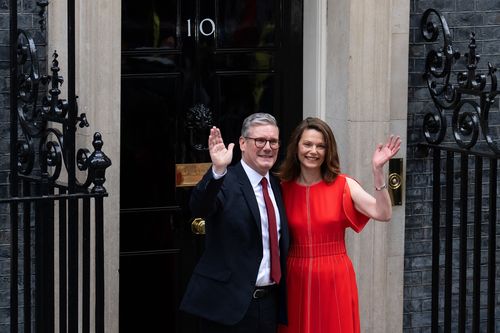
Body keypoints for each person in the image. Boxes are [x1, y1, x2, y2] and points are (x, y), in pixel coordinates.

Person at [277, 117, 401, 333]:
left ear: (328, 151)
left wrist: (378, 171)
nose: (313, 151)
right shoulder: (282, 188)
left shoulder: (344, 184)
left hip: (334, 274)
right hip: (295, 274)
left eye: (320, 146)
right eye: (307, 144)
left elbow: (383, 213)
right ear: (296, 146)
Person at [180, 113, 289, 333]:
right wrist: (218, 170)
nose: (268, 147)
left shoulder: (278, 186)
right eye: (260, 140)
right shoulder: (226, 181)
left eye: (273, 141)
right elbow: (199, 206)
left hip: (268, 305)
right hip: (227, 308)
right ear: (242, 143)